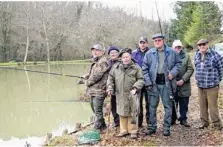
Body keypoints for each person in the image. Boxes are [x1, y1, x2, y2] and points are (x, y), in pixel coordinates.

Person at [142, 33, 181, 136]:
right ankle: (152, 127)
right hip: (153, 83)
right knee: (152, 106)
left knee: (168, 106)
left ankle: (166, 127)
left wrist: (172, 73)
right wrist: (148, 82)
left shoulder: (172, 52)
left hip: (167, 83)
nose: (157, 42)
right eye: (155, 41)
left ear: (163, 41)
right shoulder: (149, 53)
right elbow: (144, 69)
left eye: (159, 40)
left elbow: (178, 64)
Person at [107, 48, 144, 139]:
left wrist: (136, 87)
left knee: (133, 112)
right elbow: (110, 78)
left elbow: (141, 79)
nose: (126, 59)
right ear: (121, 58)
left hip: (133, 93)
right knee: (121, 112)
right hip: (120, 94)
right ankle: (123, 130)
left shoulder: (136, 67)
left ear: (130, 57)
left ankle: (133, 131)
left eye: (127, 57)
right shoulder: (115, 67)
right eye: (124, 57)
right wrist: (110, 87)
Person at [194, 39, 223, 130]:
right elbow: (197, 68)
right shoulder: (197, 55)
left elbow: (221, 69)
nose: (202, 46)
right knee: (202, 106)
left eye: (203, 44)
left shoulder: (215, 55)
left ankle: (217, 125)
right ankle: (204, 123)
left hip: (212, 86)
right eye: (200, 45)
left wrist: (219, 82)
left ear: (207, 44)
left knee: (212, 107)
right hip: (200, 85)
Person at [83, 44, 109, 132]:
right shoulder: (96, 61)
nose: (95, 52)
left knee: (97, 110)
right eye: (93, 50)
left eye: (97, 50)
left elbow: (97, 75)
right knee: (94, 108)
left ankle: (97, 129)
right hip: (93, 90)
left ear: (102, 52)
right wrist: (86, 76)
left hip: (99, 90)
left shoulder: (103, 61)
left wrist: (87, 82)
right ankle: (103, 126)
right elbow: (92, 74)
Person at [171, 40, 194, 127]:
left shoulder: (186, 56)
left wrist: (183, 80)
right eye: (176, 47)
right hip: (173, 84)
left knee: (184, 103)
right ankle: (172, 119)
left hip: (184, 84)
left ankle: (183, 119)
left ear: (182, 47)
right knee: (172, 102)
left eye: (179, 47)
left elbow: (190, 69)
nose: (178, 49)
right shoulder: (169, 56)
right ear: (172, 48)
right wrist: (173, 80)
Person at [132, 36, 150, 127]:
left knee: (149, 103)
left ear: (147, 43)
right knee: (138, 103)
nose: (142, 44)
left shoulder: (151, 52)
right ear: (139, 43)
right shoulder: (134, 53)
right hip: (138, 82)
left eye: (144, 42)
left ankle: (149, 123)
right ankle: (139, 123)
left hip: (148, 82)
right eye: (141, 42)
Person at [107, 45, 120, 127]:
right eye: (111, 53)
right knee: (113, 106)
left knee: (121, 106)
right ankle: (116, 122)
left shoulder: (121, 62)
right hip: (111, 88)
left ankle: (123, 122)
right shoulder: (108, 64)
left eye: (115, 52)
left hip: (120, 88)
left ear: (118, 54)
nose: (113, 54)